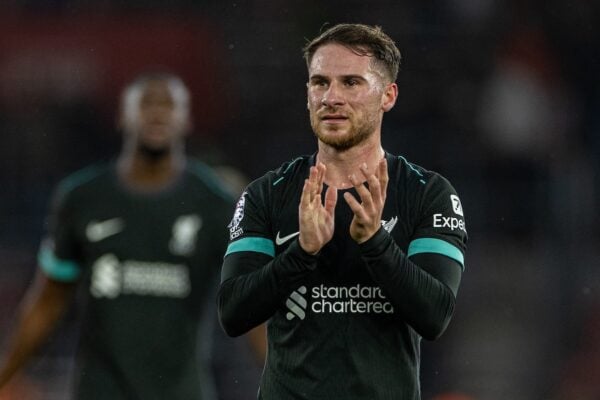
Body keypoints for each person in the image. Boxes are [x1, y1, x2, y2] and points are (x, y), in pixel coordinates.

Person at [217, 23, 468, 400]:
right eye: (320, 83)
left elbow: (434, 316)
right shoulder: (267, 194)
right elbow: (233, 314)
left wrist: (375, 243)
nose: (331, 97)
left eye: (351, 82)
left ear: (388, 95)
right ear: (307, 94)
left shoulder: (428, 194)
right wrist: (301, 254)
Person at [0, 72, 236, 399]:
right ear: (122, 117)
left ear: (187, 120)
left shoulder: (215, 204)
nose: (157, 112)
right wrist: (4, 374)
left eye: (169, 104)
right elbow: (48, 301)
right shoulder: (81, 198)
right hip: (100, 391)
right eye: (146, 103)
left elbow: (251, 303)